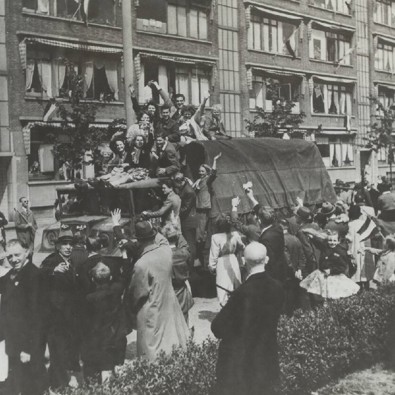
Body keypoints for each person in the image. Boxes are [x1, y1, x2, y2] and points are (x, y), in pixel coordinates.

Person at [211, 242, 284, 395]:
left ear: (243, 262)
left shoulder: (242, 293)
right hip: (268, 356)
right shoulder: (277, 287)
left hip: (242, 363)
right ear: (267, 260)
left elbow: (217, 328)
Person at [128, 221, 189, 360]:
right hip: (169, 304)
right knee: (171, 342)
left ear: (138, 240)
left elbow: (137, 293)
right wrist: (151, 225)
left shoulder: (141, 264)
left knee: (151, 350)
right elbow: (162, 239)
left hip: (151, 309)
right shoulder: (166, 251)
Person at [0, 240, 47, 395]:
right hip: (13, 342)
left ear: (27, 252)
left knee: (32, 386)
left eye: (17, 255)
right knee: (17, 383)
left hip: (28, 344)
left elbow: (36, 316)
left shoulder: (34, 276)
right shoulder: (10, 276)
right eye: (10, 256)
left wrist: (28, 348)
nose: (13, 259)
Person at [40, 225, 81, 389]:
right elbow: (39, 275)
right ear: (57, 245)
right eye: (64, 243)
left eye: (70, 243)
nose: (68, 247)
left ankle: (60, 379)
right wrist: (52, 271)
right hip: (55, 316)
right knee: (58, 349)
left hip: (68, 314)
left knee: (67, 348)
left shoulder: (71, 261)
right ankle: (58, 385)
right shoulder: (51, 261)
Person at [81, 262, 127, 383]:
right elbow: (124, 277)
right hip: (114, 338)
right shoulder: (116, 290)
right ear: (110, 277)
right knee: (111, 372)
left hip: (97, 341)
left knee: (95, 374)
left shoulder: (90, 298)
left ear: (92, 279)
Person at [242, 187, 288, 284]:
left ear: (259, 220)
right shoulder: (277, 227)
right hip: (282, 269)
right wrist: (251, 197)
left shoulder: (266, 239)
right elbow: (261, 210)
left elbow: (269, 261)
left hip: (273, 274)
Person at [300, 230, 359, 300]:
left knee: (333, 295)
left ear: (338, 241)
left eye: (334, 241)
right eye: (330, 240)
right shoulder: (325, 247)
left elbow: (342, 267)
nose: (332, 243)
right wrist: (311, 236)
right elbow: (318, 243)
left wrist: (331, 270)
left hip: (334, 277)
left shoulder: (341, 252)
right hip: (323, 275)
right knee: (322, 295)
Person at [161, 223, 194, 324]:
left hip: (166, 290)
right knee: (184, 319)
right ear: (177, 238)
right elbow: (190, 266)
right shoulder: (184, 253)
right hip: (181, 289)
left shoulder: (161, 255)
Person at [209, 215, 244, 306]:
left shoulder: (215, 237)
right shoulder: (235, 234)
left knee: (223, 288)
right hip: (233, 260)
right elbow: (242, 246)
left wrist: (212, 267)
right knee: (236, 286)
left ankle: (225, 310)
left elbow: (214, 254)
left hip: (222, 262)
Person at [193, 152, 222, 266]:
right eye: (199, 171)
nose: (200, 173)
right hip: (199, 207)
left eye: (202, 171)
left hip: (203, 208)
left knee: (200, 233)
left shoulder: (207, 180)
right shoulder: (199, 180)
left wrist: (215, 160)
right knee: (199, 231)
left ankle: (200, 257)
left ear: (206, 172)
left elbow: (213, 173)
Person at [279, 219, 308, 313]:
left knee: (289, 298)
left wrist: (294, 271)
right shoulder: (295, 238)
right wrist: (300, 269)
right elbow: (302, 256)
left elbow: (287, 260)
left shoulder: (282, 240)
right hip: (298, 273)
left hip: (289, 274)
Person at [173, 172, 198, 267]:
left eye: (177, 183)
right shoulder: (184, 188)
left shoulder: (189, 192)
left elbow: (186, 208)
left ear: (182, 181)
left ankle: (191, 265)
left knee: (190, 244)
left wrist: (175, 212)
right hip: (187, 220)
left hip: (189, 221)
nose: (177, 186)